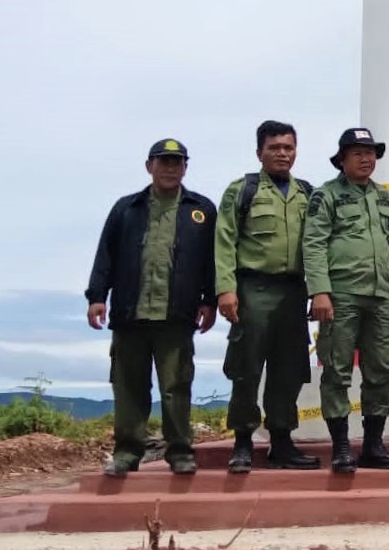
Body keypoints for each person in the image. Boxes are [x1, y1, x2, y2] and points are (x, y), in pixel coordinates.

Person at [85, 139, 217, 477]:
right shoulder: (126, 208)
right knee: (129, 387)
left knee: (176, 387)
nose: (171, 168)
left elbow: (212, 262)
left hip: (177, 315)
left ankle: (180, 452)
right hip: (130, 314)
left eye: (177, 162)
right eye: (164, 162)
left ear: (186, 167)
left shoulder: (200, 209)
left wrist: (209, 300)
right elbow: (106, 255)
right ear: (149, 166)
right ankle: (128, 453)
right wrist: (97, 296)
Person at [214, 120, 319, 473]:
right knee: (246, 367)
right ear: (259, 152)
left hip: (293, 290)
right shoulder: (242, 190)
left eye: (288, 147)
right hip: (252, 289)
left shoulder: (307, 193)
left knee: (288, 369)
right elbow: (225, 240)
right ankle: (243, 441)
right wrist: (225, 289)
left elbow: (319, 245)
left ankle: (282, 441)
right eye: (274, 147)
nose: (282, 154)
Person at [302, 127, 389, 473]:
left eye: (371, 152)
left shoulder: (384, 198)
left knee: (381, 371)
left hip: (379, 297)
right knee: (337, 371)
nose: (366, 158)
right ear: (342, 158)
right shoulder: (326, 195)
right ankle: (342, 447)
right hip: (341, 296)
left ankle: (373, 445)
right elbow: (314, 244)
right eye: (358, 153)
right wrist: (320, 291)